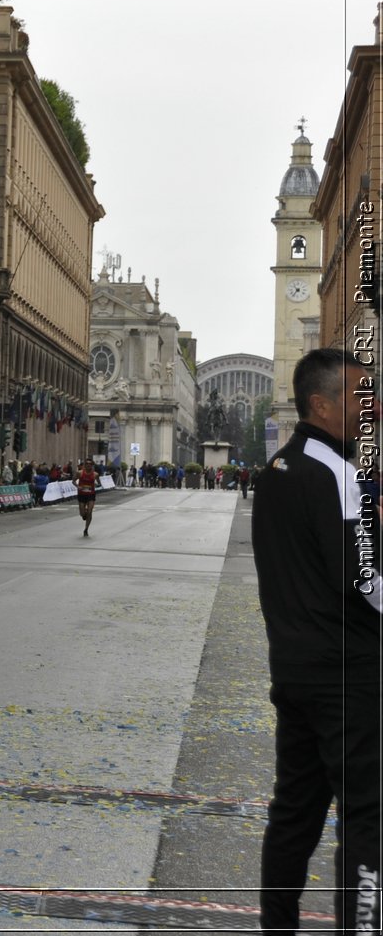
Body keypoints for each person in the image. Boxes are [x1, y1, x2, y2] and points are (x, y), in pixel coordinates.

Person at [252, 348, 379, 933]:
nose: (370, 406)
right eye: (360, 396)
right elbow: (366, 577)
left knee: (295, 812)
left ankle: (277, 926)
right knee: (368, 817)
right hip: (349, 673)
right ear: (321, 404)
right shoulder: (340, 475)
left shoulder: (276, 470)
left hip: (294, 667)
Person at [74, 457, 99, 536]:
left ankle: (86, 529)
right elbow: (73, 481)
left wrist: (96, 484)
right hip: (82, 494)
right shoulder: (80, 473)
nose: (88, 465)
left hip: (91, 494)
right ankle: (84, 514)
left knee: (90, 511)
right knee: (82, 513)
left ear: (92, 465)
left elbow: (99, 483)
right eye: (86, 464)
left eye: (90, 464)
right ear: (84, 465)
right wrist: (78, 486)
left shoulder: (95, 474)